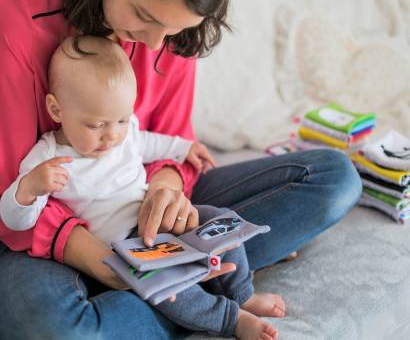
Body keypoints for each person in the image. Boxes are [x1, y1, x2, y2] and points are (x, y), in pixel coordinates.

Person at [0, 0, 362, 339]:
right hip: (44, 234)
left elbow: (170, 141)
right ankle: (197, 295)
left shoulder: (171, 28)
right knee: (54, 330)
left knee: (335, 178)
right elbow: (12, 191)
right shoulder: (13, 17)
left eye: (173, 30)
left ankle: (179, 287)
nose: (157, 44)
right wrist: (103, 261)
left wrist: (165, 190)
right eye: (145, 16)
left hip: (143, 212)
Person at [0, 34, 284, 339]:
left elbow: (148, 142)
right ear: (57, 111)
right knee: (169, 286)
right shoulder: (49, 156)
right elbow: (15, 220)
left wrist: (183, 148)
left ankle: (242, 293)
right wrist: (29, 188)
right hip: (126, 245)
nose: (112, 136)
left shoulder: (123, 131)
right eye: (95, 125)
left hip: (159, 216)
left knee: (222, 220)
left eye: (121, 120)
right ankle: (230, 319)